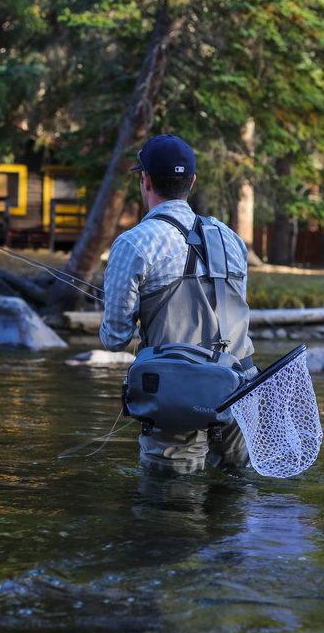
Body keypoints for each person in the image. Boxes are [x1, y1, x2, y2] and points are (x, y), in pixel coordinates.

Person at [100, 134, 256, 475]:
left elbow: (115, 338)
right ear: (192, 182)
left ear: (146, 180)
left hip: (177, 399)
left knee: (170, 510)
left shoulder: (134, 244)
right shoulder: (232, 239)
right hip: (241, 391)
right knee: (234, 504)